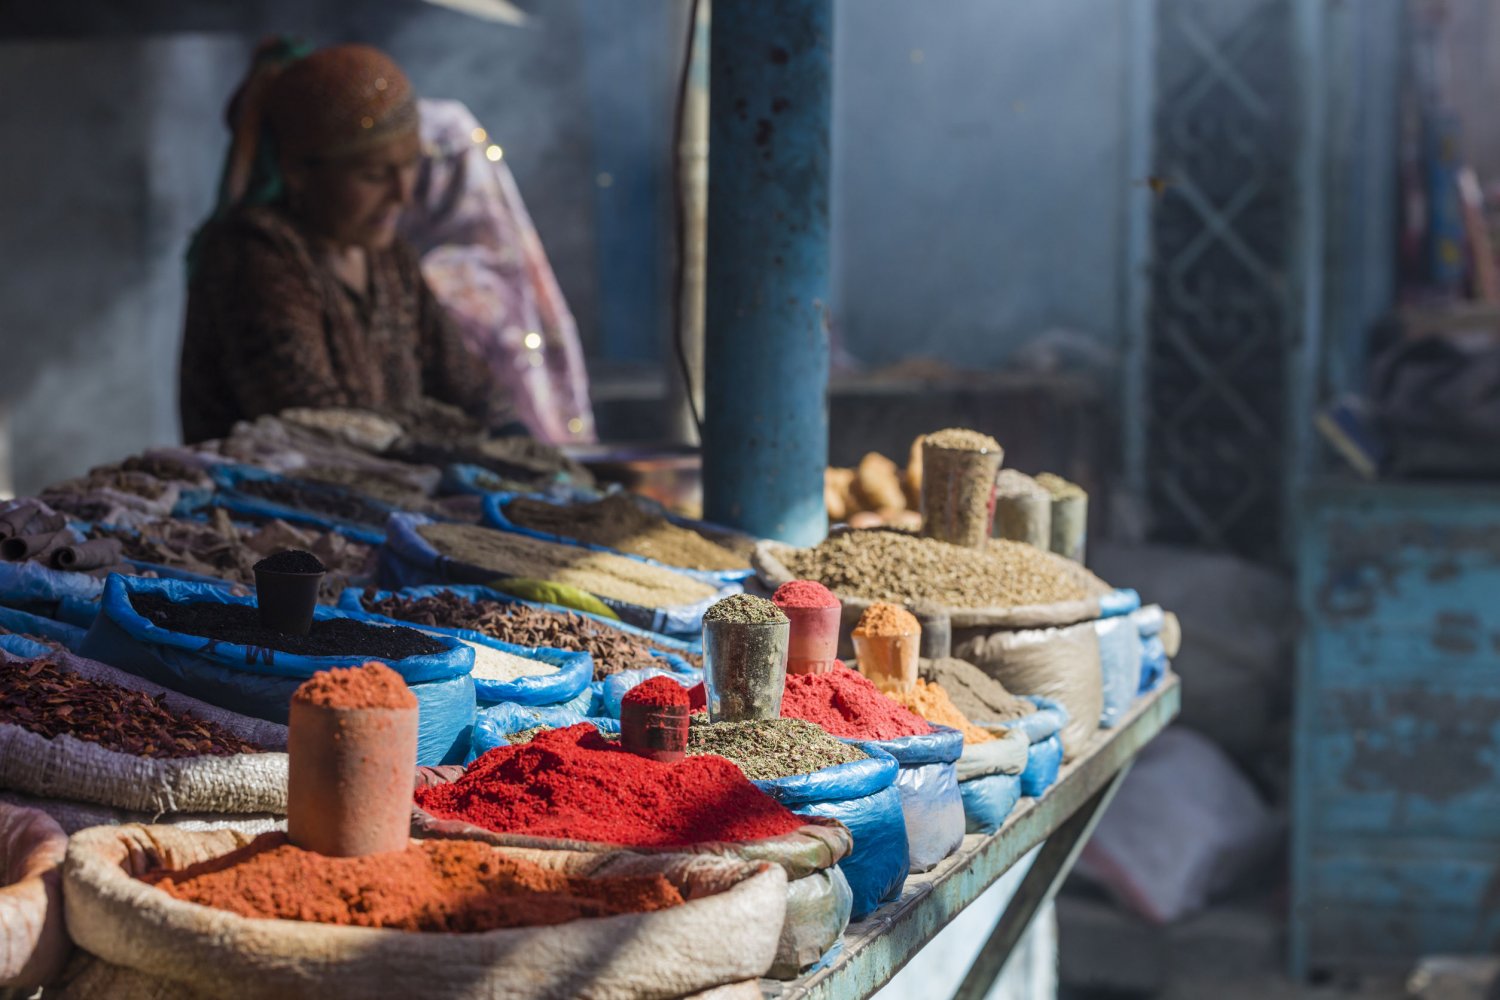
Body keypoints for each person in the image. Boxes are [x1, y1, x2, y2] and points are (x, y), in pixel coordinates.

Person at [178, 43, 508, 443]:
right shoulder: (253, 254)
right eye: (373, 175)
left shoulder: (389, 257)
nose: (402, 194)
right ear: (298, 171)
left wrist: (516, 437)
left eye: (409, 165)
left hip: (391, 491)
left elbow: (466, 385)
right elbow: (316, 422)